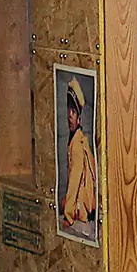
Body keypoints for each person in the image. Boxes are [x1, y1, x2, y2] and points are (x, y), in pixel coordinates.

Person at [60, 78, 98, 236]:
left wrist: (68, 216)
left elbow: (75, 182)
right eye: (68, 110)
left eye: (73, 112)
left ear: (79, 117)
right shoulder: (77, 138)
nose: (69, 116)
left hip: (80, 209)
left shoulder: (77, 144)